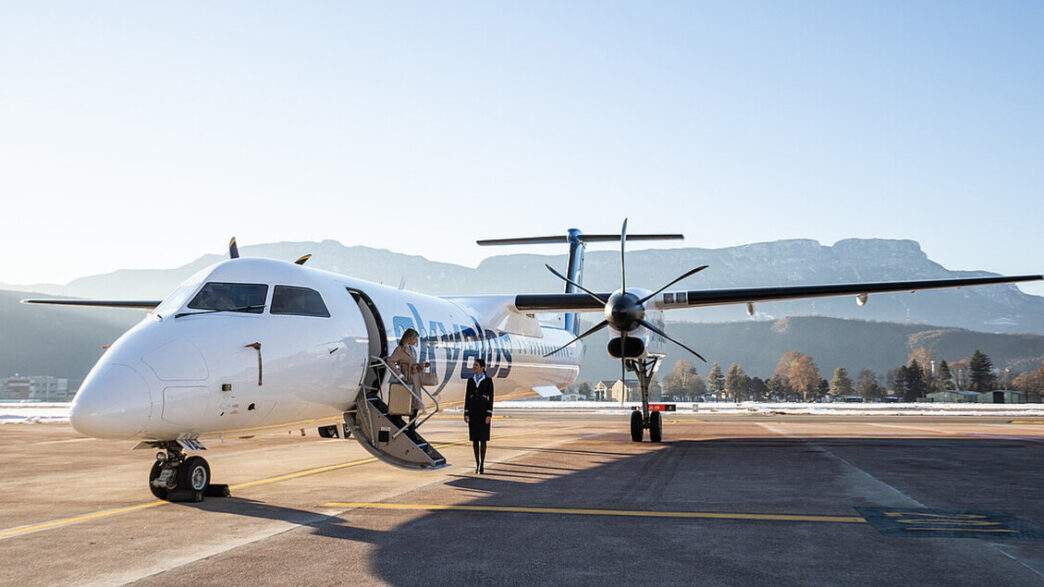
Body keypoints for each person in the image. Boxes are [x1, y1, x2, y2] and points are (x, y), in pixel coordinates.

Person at [387, 328, 429, 423]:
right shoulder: (400, 349)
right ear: (409, 338)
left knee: (415, 405)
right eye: (415, 339)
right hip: (407, 379)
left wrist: (422, 365)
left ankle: (411, 427)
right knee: (408, 404)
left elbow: (412, 365)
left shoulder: (410, 349)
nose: (415, 341)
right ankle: (408, 426)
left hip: (414, 379)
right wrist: (399, 375)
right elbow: (390, 361)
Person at [464, 357, 494, 474]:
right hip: (473, 412)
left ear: (482, 367)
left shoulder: (488, 381)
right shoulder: (471, 381)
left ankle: (482, 464)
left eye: (476, 365)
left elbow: (491, 398)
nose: (474, 367)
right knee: (475, 440)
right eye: (474, 365)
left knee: (483, 439)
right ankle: (477, 463)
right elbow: (467, 397)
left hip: (483, 413)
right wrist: (466, 413)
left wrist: (489, 414)